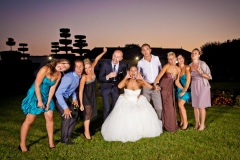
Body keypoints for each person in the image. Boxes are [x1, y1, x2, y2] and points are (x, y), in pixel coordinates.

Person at [19, 59, 70, 152]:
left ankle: (51, 142)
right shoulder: (45, 69)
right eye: (63, 64)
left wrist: (48, 101)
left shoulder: (59, 74)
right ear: (58, 62)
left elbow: (52, 88)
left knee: (50, 117)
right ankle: (22, 143)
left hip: (46, 95)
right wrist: (39, 101)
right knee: (30, 120)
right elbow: (37, 85)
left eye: (65, 67)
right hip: (35, 94)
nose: (63, 67)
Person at [101, 66, 162, 142]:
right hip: (126, 100)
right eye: (131, 71)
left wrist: (142, 79)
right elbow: (119, 86)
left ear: (137, 72)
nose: (133, 72)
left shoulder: (140, 81)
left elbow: (150, 87)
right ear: (129, 72)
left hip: (137, 101)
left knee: (142, 112)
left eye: (135, 71)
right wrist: (126, 77)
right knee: (128, 113)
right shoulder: (126, 81)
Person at [79, 47, 107, 140]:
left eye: (89, 67)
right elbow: (80, 91)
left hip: (92, 95)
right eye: (85, 68)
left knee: (90, 112)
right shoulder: (83, 77)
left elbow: (97, 59)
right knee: (87, 113)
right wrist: (81, 103)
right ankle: (86, 132)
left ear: (91, 66)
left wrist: (104, 52)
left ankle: (87, 129)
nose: (88, 70)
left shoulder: (93, 68)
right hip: (85, 96)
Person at [55, 59, 84, 145]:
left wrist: (75, 99)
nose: (79, 68)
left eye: (80, 66)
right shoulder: (68, 77)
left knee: (75, 114)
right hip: (59, 99)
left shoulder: (78, 76)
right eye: (76, 66)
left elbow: (73, 89)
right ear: (74, 68)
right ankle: (64, 139)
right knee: (67, 117)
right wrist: (65, 108)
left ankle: (68, 134)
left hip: (67, 99)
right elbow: (58, 93)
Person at [154, 52, 180, 132]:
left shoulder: (178, 69)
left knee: (170, 107)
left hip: (170, 89)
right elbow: (159, 76)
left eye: (173, 58)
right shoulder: (166, 66)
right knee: (166, 107)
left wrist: (184, 88)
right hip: (163, 88)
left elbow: (177, 82)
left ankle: (168, 125)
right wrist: (155, 85)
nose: (172, 60)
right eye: (169, 59)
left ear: (176, 58)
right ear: (168, 60)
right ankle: (167, 126)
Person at [99, 49, 127, 121]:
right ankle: (105, 125)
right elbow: (100, 78)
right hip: (105, 88)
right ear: (112, 55)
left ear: (121, 58)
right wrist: (108, 76)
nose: (115, 58)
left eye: (118, 57)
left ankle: (113, 123)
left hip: (116, 89)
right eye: (114, 56)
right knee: (107, 108)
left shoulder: (123, 66)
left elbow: (124, 78)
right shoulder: (105, 64)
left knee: (115, 108)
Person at [137, 43, 163, 120]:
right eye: (143, 50)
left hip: (156, 86)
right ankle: (147, 124)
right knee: (145, 107)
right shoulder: (140, 63)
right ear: (142, 52)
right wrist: (139, 91)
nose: (146, 51)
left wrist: (159, 83)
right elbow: (138, 77)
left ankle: (158, 123)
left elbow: (161, 70)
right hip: (145, 87)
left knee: (159, 108)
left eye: (147, 49)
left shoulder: (156, 58)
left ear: (150, 50)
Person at [189, 48, 212, 131]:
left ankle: (202, 125)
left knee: (201, 106)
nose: (193, 54)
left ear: (199, 55)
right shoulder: (190, 65)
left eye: (195, 53)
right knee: (195, 106)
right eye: (192, 53)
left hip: (202, 85)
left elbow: (209, 77)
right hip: (194, 86)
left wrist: (201, 73)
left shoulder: (202, 64)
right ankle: (197, 123)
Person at [175, 54, 191, 130]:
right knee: (179, 106)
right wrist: (181, 89)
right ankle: (181, 122)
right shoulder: (177, 69)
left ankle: (186, 123)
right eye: (178, 58)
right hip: (179, 89)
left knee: (181, 105)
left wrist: (184, 90)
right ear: (177, 60)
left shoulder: (187, 67)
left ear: (183, 59)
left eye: (181, 58)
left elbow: (188, 81)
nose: (180, 59)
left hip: (187, 89)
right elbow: (177, 82)